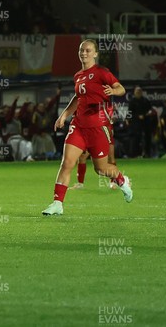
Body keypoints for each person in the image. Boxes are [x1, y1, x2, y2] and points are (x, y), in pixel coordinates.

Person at [42, 40, 133, 216]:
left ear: (95, 54)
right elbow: (78, 98)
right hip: (79, 126)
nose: (84, 53)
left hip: (98, 127)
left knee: (101, 169)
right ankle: (57, 203)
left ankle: (122, 180)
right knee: (67, 162)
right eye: (81, 50)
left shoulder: (101, 72)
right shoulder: (78, 76)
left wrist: (113, 92)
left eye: (88, 50)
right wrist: (64, 115)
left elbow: (120, 88)